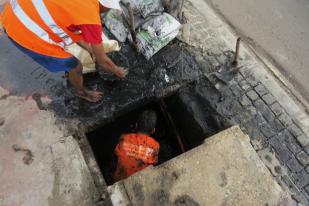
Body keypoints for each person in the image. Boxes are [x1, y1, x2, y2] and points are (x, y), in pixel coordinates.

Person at [0, 0, 127, 102]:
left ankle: (75, 79)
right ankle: (81, 92)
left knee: (73, 45)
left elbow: (71, 28)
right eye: (109, 8)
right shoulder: (91, 18)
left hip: (13, 10)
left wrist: (92, 50)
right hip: (22, 31)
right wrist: (118, 71)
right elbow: (103, 62)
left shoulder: (82, 5)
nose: (107, 11)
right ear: (104, 5)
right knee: (75, 66)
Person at [113, 110, 160, 181]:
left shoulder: (124, 138)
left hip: (119, 180)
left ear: (136, 125)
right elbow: (154, 162)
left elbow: (116, 152)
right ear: (153, 131)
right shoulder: (155, 146)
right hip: (140, 181)